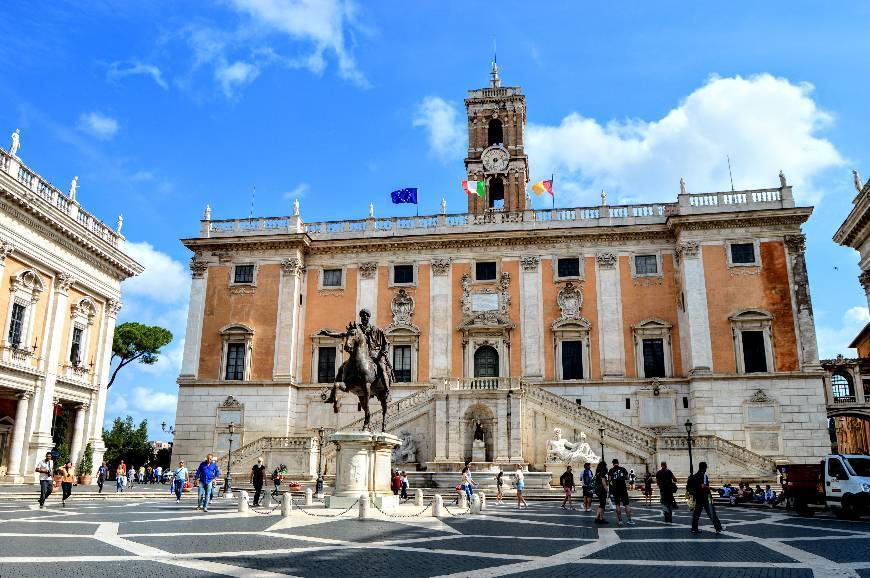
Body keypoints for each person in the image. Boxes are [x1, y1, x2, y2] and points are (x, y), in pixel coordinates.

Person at [687, 461, 723, 534]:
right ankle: (718, 527)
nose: (706, 469)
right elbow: (703, 486)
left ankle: (694, 529)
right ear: (704, 468)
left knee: (696, 514)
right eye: (706, 467)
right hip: (705, 496)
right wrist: (713, 489)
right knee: (711, 512)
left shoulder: (695, 476)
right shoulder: (703, 475)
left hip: (698, 497)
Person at [608, 459, 634, 526]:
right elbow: (627, 477)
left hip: (615, 489)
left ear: (613, 463)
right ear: (618, 463)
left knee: (617, 505)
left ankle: (620, 520)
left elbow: (609, 480)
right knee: (626, 504)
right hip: (623, 488)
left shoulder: (611, 470)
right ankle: (629, 520)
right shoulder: (623, 469)